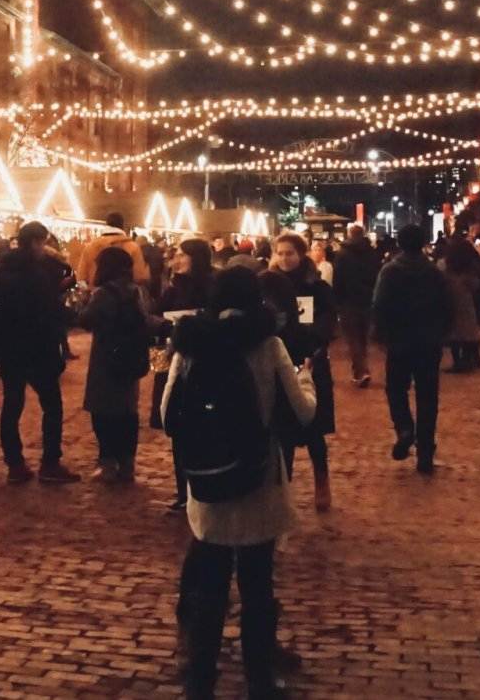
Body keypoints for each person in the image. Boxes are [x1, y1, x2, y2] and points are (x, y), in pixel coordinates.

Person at [163, 265, 315, 700]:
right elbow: (303, 413)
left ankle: (200, 680)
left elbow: (166, 415)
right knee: (256, 587)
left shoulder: (190, 344)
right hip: (258, 481)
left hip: (209, 485)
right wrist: (306, 378)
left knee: (209, 589)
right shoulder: (269, 345)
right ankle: (260, 682)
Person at [0, 221, 81, 484]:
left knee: (12, 405)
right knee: (52, 405)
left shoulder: (2, 269)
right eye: (43, 243)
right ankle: (50, 463)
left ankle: (15, 463)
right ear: (36, 242)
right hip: (38, 347)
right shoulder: (35, 274)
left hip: (10, 347)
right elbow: (47, 307)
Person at [370, 224, 452, 474]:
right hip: (428, 342)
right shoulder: (434, 272)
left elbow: (379, 304)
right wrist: (442, 333)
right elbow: (448, 304)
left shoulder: (390, 271)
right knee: (428, 396)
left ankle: (405, 428)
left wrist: (381, 335)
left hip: (399, 341)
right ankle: (425, 450)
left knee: (396, 389)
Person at [264, 231, 335, 512]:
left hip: (310, 360)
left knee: (313, 427)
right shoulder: (266, 285)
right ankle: (284, 490)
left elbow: (328, 322)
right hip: (278, 361)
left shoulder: (317, 286)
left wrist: (313, 343)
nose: (284, 259)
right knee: (283, 431)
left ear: (301, 254)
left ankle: (322, 480)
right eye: (280, 253)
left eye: (290, 253)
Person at [80, 244, 156, 482]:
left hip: (106, 356)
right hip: (131, 355)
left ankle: (108, 461)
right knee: (128, 411)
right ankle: (127, 463)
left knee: (102, 410)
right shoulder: (137, 292)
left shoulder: (103, 294)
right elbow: (147, 320)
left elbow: (87, 320)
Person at [157, 239, 217, 511]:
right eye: (176, 255)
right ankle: (183, 491)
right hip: (176, 365)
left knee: (205, 427)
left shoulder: (213, 286)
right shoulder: (173, 289)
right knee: (178, 426)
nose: (177, 259)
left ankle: (202, 487)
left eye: (183, 255)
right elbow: (158, 317)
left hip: (205, 364)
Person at [332, 224, 381, 387]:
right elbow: (377, 276)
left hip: (348, 301)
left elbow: (337, 280)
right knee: (362, 337)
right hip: (367, 301)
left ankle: (361, 371)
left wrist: (337, 301)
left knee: (353, 339)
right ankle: (359, 370)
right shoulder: (372, 254)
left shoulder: (342, 254)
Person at [442, 239, 480, 372]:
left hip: (450, 302)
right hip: (467, 302)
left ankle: (458, 361)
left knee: (454, 333)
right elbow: (477, 284)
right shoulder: (471, 267)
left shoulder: (447, 267)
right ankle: (468, 359)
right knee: (467, 331)